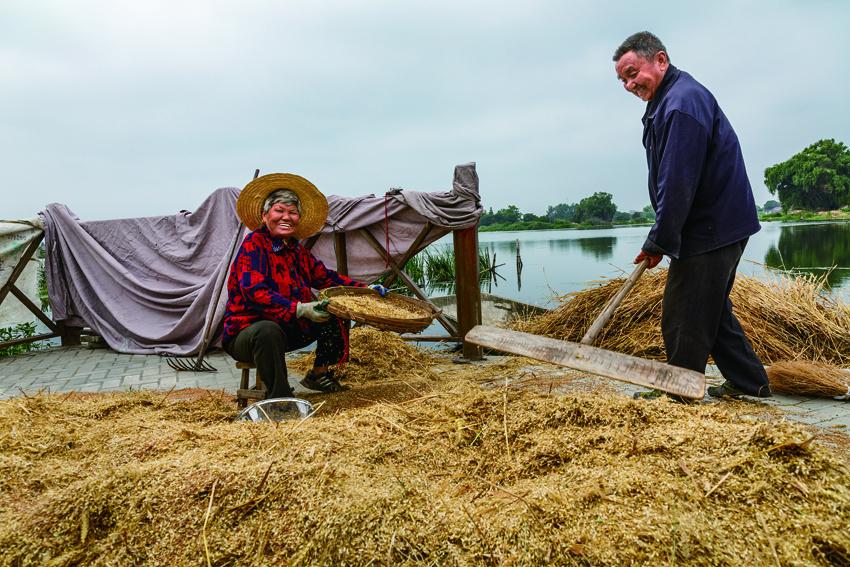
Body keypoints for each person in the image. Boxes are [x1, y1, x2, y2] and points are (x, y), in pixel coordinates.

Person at [612, 31, 771, 400]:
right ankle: (752, 384)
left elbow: (678, 181)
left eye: (633, 73)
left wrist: (659, 240)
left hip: (711, 226)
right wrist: (665, 236)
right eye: (623, 79)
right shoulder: (667, 101)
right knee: (709, 310)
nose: (629, 84)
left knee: (683, 312)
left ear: (661, 61)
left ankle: (679, 392)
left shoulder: (681, 104)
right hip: (719, 224)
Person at [222, 173, 387, 397]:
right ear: (264, 216)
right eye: (279, 211)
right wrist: (299, 309)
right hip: (247, 334)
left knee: (334, 311)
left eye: (292, 212)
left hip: (288, 327)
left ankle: (319, 374)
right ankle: (280, 397)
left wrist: (364, 290)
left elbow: (326, 278)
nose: (286, 217)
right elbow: (255, 292)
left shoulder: (296, 250)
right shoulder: (254, 245)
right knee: (267, 331)